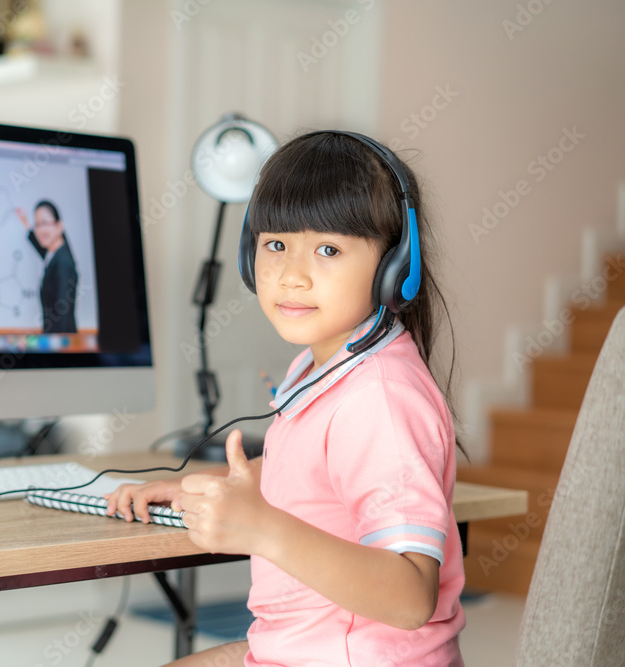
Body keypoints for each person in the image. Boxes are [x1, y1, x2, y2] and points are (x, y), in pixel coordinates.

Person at [105, 131, 466, 666]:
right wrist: (195, 487)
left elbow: (412, 596)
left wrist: (264, 528)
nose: (291, 275)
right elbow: (309, 473)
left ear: (395, 266)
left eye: (328, 249)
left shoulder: (380, 400)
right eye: (275, 244)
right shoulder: (322, 367)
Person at [16, 200, 78, 333]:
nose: (40, 230)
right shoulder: (54, 254)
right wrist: (26, 224)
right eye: (37, 225)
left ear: (59, 226)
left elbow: (63, 316)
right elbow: (42, 249)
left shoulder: (63, 264)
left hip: (61, 344)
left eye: (45, 223)